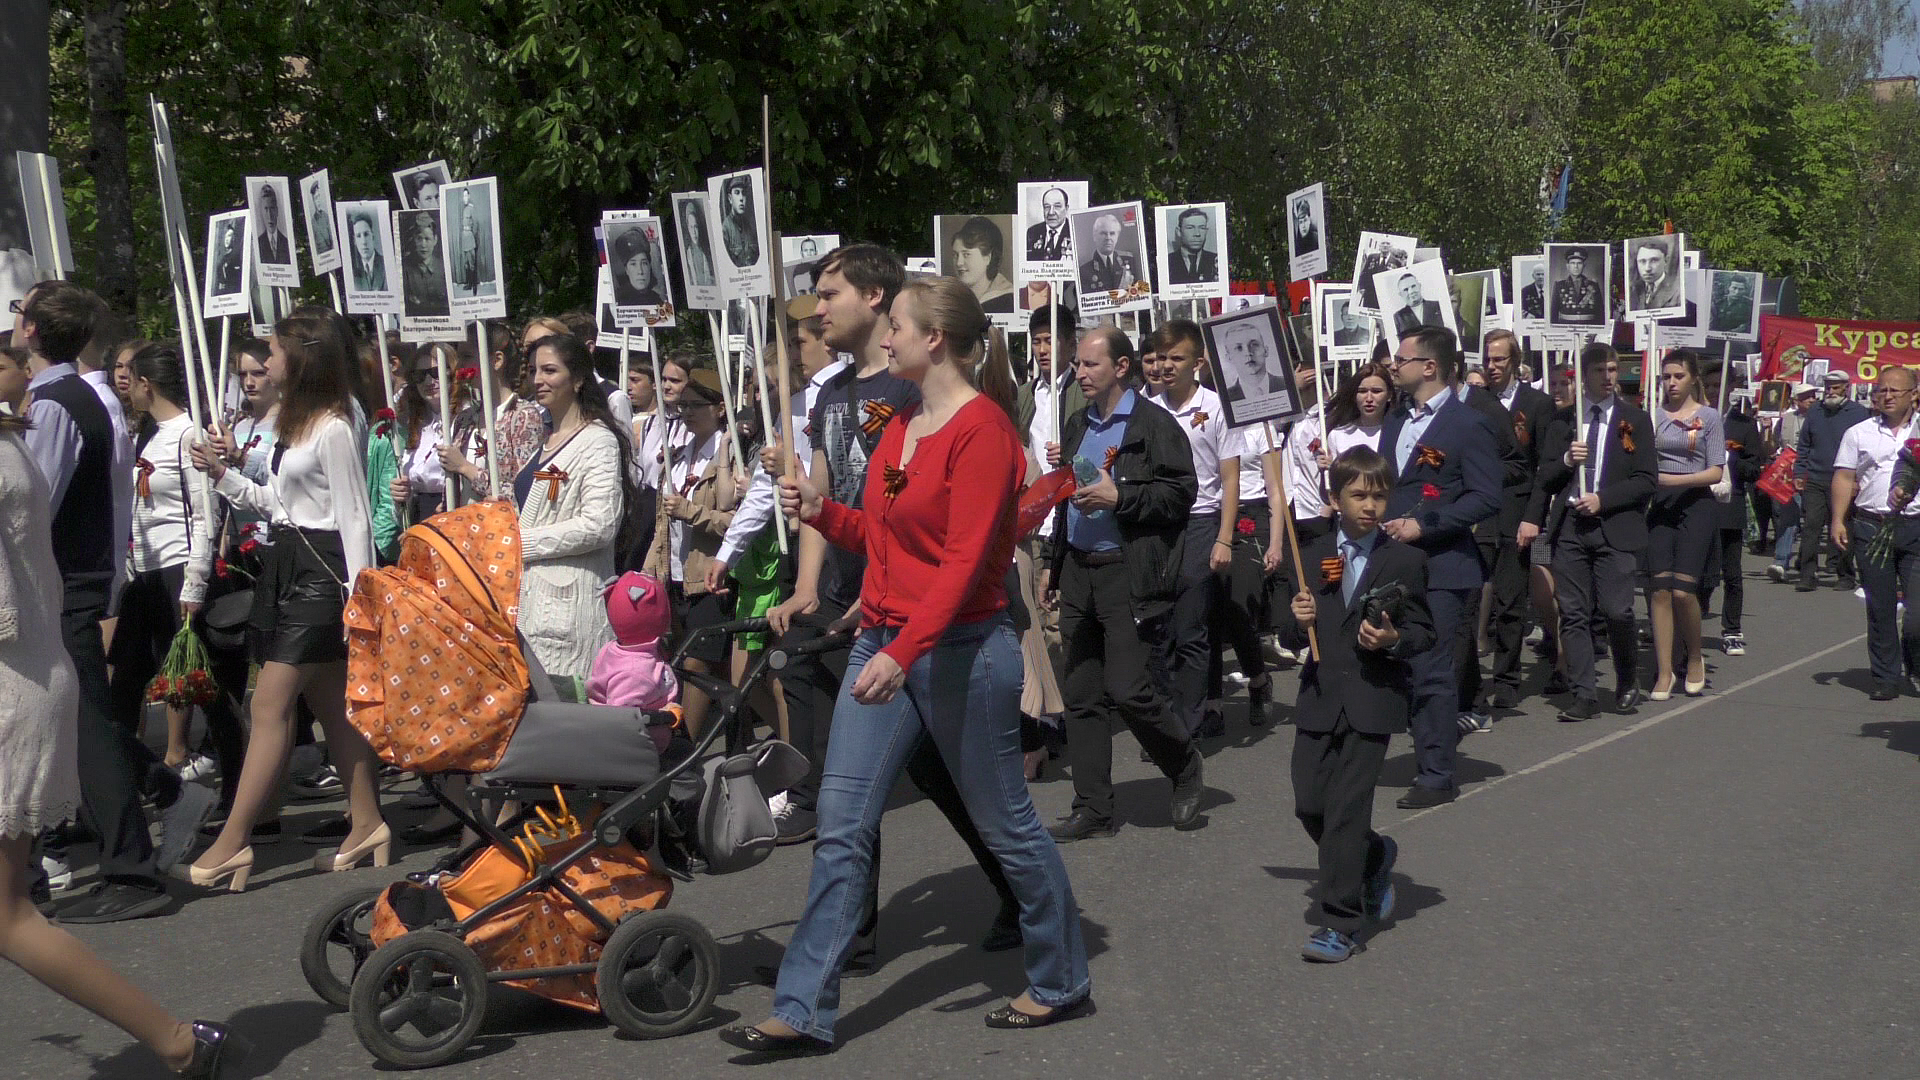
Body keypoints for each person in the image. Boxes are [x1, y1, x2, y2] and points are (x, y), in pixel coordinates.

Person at [721, 276, 1091, 1056]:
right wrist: (823, 513)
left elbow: (962, 565)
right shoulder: (899, 425)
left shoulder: (983, 432)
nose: (883, 339)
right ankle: (804, 1008)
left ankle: (1061, 979)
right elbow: (883, 533)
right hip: (885, 644)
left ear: (938, 340)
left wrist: (903, 649)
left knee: (1007, 825)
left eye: (896, 326)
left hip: (960, 652)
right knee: (842, 828)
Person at [760, 245, 1023, 969]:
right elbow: (833, 492)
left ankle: (1025, 894)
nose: (817, 309)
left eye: (829, 293)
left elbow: (942, 536)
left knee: (955, 779)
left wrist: (890, 614)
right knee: (844, 791)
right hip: (859, 603)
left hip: (927, 614)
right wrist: (811, 580)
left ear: (878, 299)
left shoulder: (917, 392)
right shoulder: (831, 392)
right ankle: (844, 943)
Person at [0, 400, 249, 1077]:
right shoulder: (9, 439)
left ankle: (178, 1043)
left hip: (9, 683)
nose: (19, 360)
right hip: (27, 676)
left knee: (9, 916)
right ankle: (178, 1043)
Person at [183, 314, 387, 890]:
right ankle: (368, 822)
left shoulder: (335, 427)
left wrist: (361, 597)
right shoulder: (295, 425)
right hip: (288, 565)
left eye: (272, 354)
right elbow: (278, 503)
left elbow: (353, 518)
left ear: (300, 358)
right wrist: (223, 474)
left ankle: (234, 841)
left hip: (324, 577)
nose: (264, 365)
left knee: (270, 703)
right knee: (328, 706)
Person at [19, 284, 200, 924]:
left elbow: (30, 501)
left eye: (19, 316)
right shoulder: (82, 398)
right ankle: (142, 807)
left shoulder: (55, 405)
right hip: (77, 574)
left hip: (59, 579)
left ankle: (129, 861)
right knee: (73, 719)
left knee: (83, 721)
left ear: (34, 333)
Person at [1042, 325, 1203, 839]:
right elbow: (1069, 496)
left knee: (1129, 690)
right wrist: (1053, 559)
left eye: (1090, 364)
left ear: (1121, 367)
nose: (1080, 373)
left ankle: (1183, 765)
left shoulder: (1153, 425)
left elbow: (1180, 496)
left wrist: (1122, 498)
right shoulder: (1075, 424)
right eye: (1078, 365)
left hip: (1127, 573)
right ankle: (1094, 807)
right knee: (1081, 693)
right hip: (1078, 569)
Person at [1280, 446, 1434, 962]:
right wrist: (1296, 617)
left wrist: (1392, 638)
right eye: (1358, 495)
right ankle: (1373, 855)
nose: (1370, 506)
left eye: (1379, 495)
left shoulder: (1405, 559)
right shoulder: (1310, 555)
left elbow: (1424, 631)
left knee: (1346, 811)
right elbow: (1286, 631)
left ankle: (1339, 922)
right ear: (1335, 499)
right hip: (1320, 695)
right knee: (1310, 803)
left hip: (1372, 700)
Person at [109, 345, 248, 805]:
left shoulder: (189, 435)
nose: (127, 387)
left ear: (148, 385)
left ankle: (238, 788)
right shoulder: (146, 435)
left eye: (133, 378)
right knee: (125, 684)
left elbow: (205, 515)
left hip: (179, 573)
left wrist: (194, 581)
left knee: (204, 687)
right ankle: (134, 786)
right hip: (145, 575)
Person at [1377, 326, 1501, 807]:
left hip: (1445, 567)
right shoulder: (1395, 420)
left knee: (1432, 668)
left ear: (1430, 367)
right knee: (1395, 661)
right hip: (1394, 564)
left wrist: (1425, 524)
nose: (1394, 365)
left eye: (1401, 359)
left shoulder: (1469, 424)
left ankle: (1435, 774)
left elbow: (1487, 496)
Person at [1521, 343, 1657, 722]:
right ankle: (1583, 693)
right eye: (1600, 370)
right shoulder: (1565, 421)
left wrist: (1603, 499)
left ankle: (1627, 679)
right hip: (1570, 529)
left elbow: (1646, 480)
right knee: (1574, 613)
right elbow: (1544, 476)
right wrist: (1566, 461)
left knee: (1617, 610)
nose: (1609, 376)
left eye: (1613, 369)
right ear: (1584, 375)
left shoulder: (1635, 419)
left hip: (1613, 527)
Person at [1144, 320, 1254, 738]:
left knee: (1191, 629)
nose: (1166, 366)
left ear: (1198, 363)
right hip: (1158, 527)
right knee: (1162, 630)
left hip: (1201, 523)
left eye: (1177, 358)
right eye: (1160, 357)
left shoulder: (1216, 408)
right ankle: (1167, 716)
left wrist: (1225, 537)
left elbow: (1230, 479)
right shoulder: (1146, 406)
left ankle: (1186, 726)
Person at [513, 334, 636, 699]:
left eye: (550, 370)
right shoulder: (546, 440)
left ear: (578, 378)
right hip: (530, 606)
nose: (538, 380)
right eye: (535, 370)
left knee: (566, 718)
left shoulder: (597, 441)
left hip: (568, 610)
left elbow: (600, 524)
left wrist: (521, 543)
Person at [644, 366, 736, 735]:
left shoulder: (729, 454)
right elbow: (662, 525)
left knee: (699, 666)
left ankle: (688, 747)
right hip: (676, 575)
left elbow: (736, 522)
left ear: (718, 407)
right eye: (683, 405)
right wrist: (650, 568)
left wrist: (691, 512)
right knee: (678, 662)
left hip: (710, 576)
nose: (688, 412)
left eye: (697, 404)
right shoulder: (678, 454)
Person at [1827, 366, 1920, 701]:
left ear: (1914, 394)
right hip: (1871, 525)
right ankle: (1886, 677)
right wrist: (1838, 520)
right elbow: (1844, 477)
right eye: (1882, 389)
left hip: (1916, 526)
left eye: (1896, 390)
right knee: (1880, 608)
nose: (1887, 395)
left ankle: (1916, 664)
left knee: (1916, 614)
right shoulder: (1858, 433)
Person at [1478, 330, 1555, 709]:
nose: (1492, 367)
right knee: (1474, 599)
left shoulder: (1537, 405)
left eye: (1500, 360)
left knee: (1510, 600)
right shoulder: (1474, 402)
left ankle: (1507, 677)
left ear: (1516, 363)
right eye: (1488, 360)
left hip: (1517, 514)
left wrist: (1532, 517)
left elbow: (1543, 468)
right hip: (1478, 513)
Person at [1646, 351, 1725, 700]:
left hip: (1696, 504)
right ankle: (1664, 671)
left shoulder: (1708, 418)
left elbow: (1716, 471)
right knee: (1660, 589)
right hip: (1661, 506)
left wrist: (1675, 481)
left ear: (1692, 378)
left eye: (1678, 376)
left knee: (1683, 591)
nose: (1672, 383)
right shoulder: (1654, 417)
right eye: (1666, 377)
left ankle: (1694, 656)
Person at [1702, 368, 1764, 656]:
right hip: (1698, 504)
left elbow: (1755, 469)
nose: (1714, 391)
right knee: (1698, 572)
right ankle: (1685, 616)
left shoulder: (1742, 424)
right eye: (1709, 385)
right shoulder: (1692, 419)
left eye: (1719, 385)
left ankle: (1732, 629)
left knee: (1732, 572)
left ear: (1730, 388)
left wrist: (1731, 460)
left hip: (1730, 505)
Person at [1794, 369, 1869, 593]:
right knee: (1811, 527)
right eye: (1827, 387)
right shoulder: (1815, 411)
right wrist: (1799, 472)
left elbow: (1864, 448)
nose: (1830, 391)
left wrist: (1858, 479)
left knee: (1844, 528)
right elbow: (1804, 444)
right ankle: (1807, 575)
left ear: (1846, 388)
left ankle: (1845, 574)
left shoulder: (1858, 413)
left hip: (1845, 481)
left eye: (1835, 387)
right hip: (1816, 478)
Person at [1765, 384, 1818, 582]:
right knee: (1788, 517)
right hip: (1789, 474)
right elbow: (1773, 447)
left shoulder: (1821, 419)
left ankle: (1805, 560)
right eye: (1806, 397)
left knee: (1813, 521)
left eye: (1813, 396)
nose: (1811, 399)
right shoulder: (1786, 419)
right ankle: (1780, 561)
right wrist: (1767, 430)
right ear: (1796, 400)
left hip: (1814, 473)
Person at [947, 216, 1015, 312]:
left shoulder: (1007, 301)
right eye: (955, 255)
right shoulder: (953, 298)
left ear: (987, 258)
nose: (959, 263)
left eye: (966, 254)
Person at [401, 212, 449, 317]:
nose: (423, 245)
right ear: (414, 239)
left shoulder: (445, 267)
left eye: (427, 239)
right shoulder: (405, 269)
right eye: (419, 238)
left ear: (435, 240)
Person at [1076, 214, 1138, 292]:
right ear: (1095, 236)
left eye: (1112, 233)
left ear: (1117, 236)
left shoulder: (1129, 260)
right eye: (1103, 233)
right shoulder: (1083, 270)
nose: (1108, 238)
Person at [451, 190, 491, 296]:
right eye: (463, 196)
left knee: (472, 263)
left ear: (469, 196)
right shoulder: (464, 209)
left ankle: (474, 286)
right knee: (466, 264)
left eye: (466, 195)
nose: (464, 198)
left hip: (469, 236)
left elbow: (476, 224)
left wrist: (472, 236)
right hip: (464, 236)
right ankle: (469, 283)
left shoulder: (471, 209)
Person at [611, 228, 665, 307]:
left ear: (649, 266)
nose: (640, 271)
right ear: (626, 270)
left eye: (644, 263)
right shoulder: (619, 301)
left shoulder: (657, 300)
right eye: (633, 264)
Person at [1166, 208, 1219, 285]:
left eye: (1202, 228)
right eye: (1190, 228)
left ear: (1206, 231)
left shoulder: (1216, 260)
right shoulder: (1167, 262)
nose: (1197, 233)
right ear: (1179, 232)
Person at [1628, 238, 1681, 312]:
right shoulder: (1632, 290)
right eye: (1642, 261)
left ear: (1666, 260)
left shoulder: (1678, 290)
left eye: (1654, 260)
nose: (1647, 268)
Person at [1552, 249, 1602, 324]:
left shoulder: (1593, 285)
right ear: (1567, 266)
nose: (1576, 266)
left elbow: (1600, 312)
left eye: (1579, 263)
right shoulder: (1559, 285)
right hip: (1566, 327)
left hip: (1589, 327)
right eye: (1572, 263)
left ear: (1584, 266)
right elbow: (1554, 313)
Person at [721, 176, 760, 268]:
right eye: (737, 193)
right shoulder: (725, 228)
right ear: (730, 198)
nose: (741, 198)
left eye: (743, 193)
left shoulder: (750, 227)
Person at [1025, 187, 1072, 262]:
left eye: (1057, 206)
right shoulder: (1032, 232)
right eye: (1047, 207)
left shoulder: (1073, 232)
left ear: (1066, 208)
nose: (1051, 212)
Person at [1391, 273, 1444, 337]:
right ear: (1401, 294)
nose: (1411, 291)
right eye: (1406, 290)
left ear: (1419, 286)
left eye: (1413, 286)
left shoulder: (1438, 306)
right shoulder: (1398, 317)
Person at [347, 211, 386, 292]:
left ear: (373, 235)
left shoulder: (386, 264)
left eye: (366, 234)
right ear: (354, 241)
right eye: (358, 236)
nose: (364, 242)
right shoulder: (352, 271)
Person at [679, 200, 716, 286]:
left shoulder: (707, 251)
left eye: (695, 227)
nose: (694, 232)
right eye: (691, 227)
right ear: (687, 228)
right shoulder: (687, 253)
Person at [253, 184, 290, 266]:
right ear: (261, 212)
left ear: (277, 210)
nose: (269, 215)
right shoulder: (257, 245)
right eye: (266, 209)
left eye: (272, 209)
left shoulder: (287, 243)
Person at [211, 222, 243, 295]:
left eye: (229, 236)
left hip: (233, 293)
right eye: (225, 237)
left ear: (234, 238)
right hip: (221, 294)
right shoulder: (222, 256)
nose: (226, 239)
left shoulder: (237, 255)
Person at [307, 187, 334, 257]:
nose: (318, 201)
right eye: (316, 198)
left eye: (319, 197)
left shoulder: (326, 216)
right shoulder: (313, 222)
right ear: (313, 201)